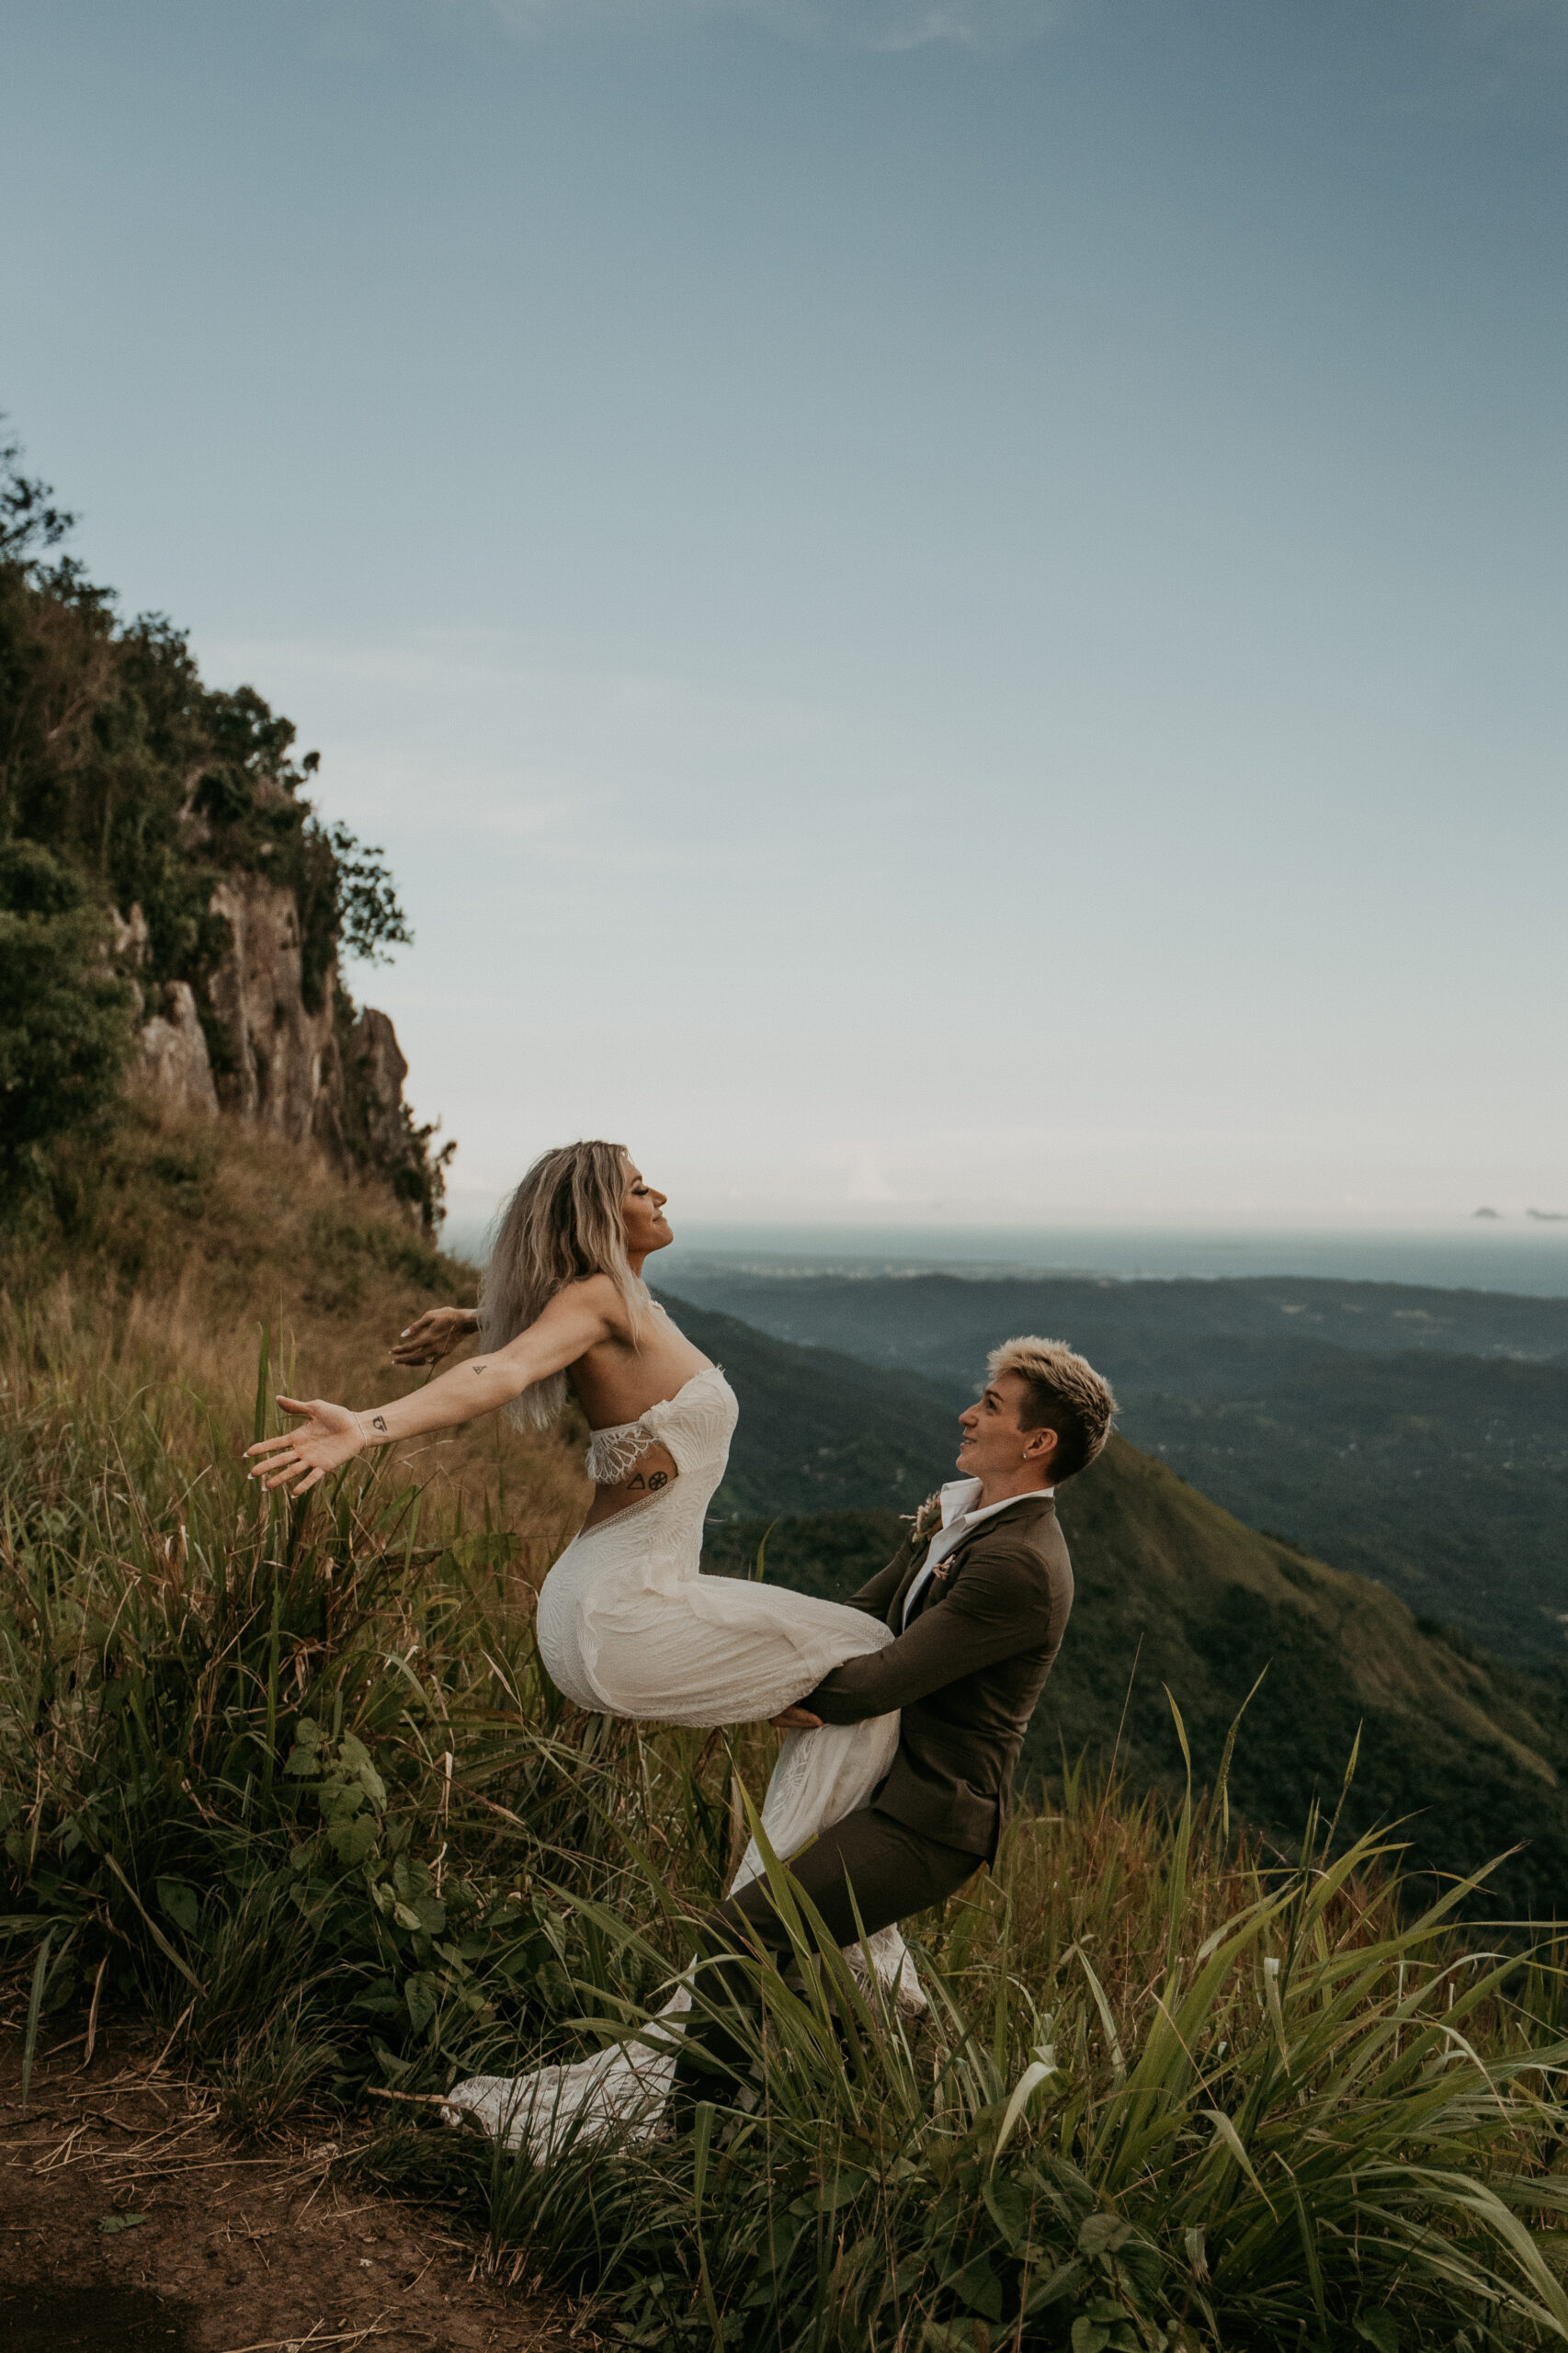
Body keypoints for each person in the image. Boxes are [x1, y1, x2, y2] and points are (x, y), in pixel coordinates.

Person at [670, 1336, 1115, 2121]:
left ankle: (691, 2136)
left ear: (1038, 1443)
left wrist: (752, 1692)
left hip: (929, 1818)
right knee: (816, 1960)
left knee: (746, 1933)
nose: (967, 1414)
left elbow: (875, 1684)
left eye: (991, 1406)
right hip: (874, 1780)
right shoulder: (965, 1517)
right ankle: (855, 2107)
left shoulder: (1021, 1564)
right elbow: (860, 1617)